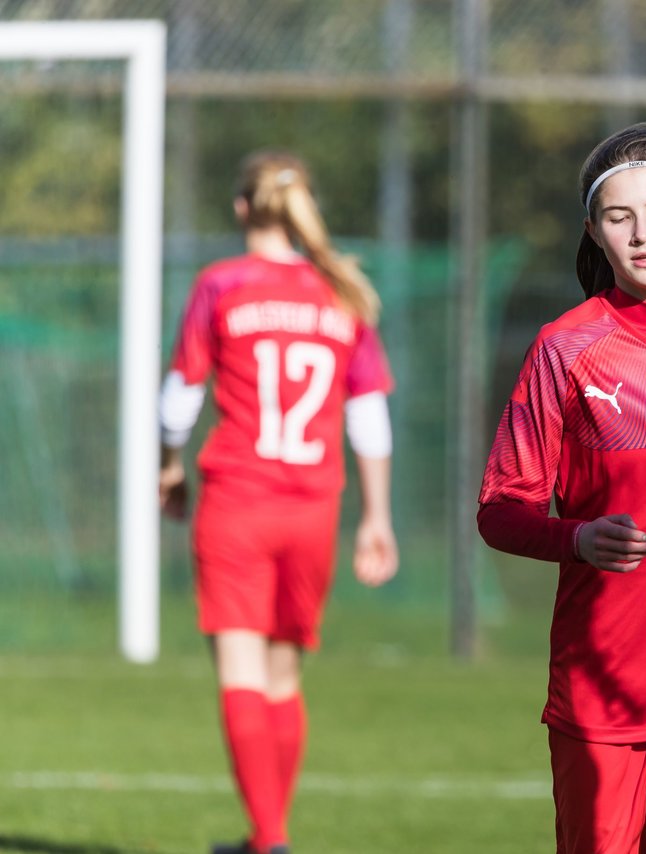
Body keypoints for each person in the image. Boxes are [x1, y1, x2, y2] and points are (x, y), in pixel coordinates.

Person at [477, 123, 646, 854]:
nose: (643, 233)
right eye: (619, 216)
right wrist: (577, 536)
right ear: (594, 231)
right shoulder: (565, 347)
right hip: (602, 679)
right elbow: (502, 511)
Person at [158, 151, 398, 854]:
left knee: (239, 672)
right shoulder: (339, 293)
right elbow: (369, 417)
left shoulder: (222, 284)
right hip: (313, 509)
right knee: (283, 675)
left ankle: (269, 840)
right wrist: (376, 517)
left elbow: (179, 398)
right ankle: (268, 836)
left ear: (241, 209)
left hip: (238, 499)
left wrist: (168, 467)